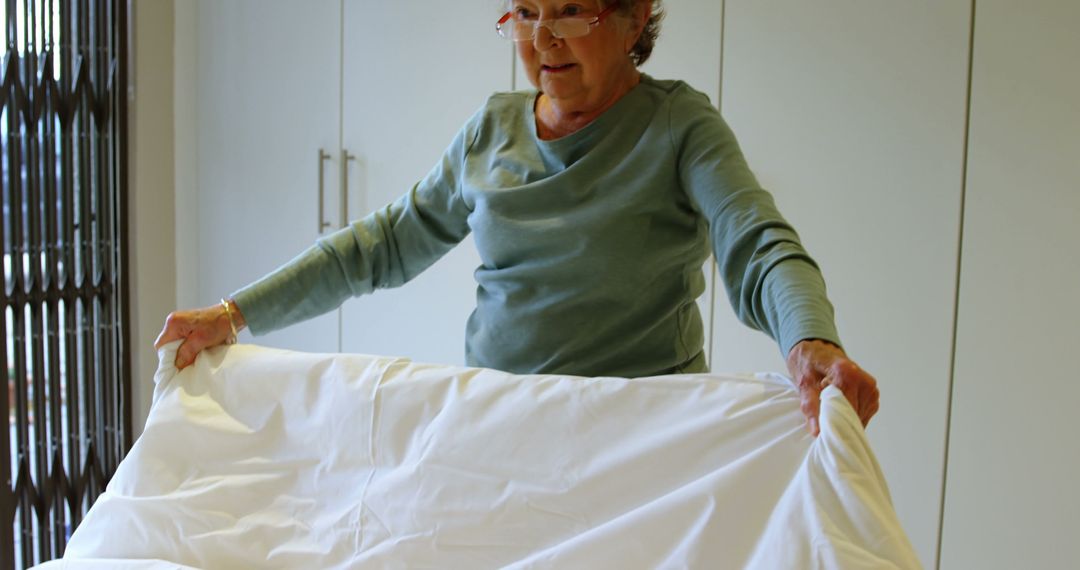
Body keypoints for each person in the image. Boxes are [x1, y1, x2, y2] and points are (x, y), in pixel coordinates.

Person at [156, 0, 878, 436]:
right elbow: (374, 249)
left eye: (570, 11)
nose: (542, 41)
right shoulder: (491, 129)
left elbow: (755, 241)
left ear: (633, 18)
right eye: (525, 13)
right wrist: (233, 313)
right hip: (502, 423)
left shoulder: (679, 126)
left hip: (641, 430)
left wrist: (808, 340)